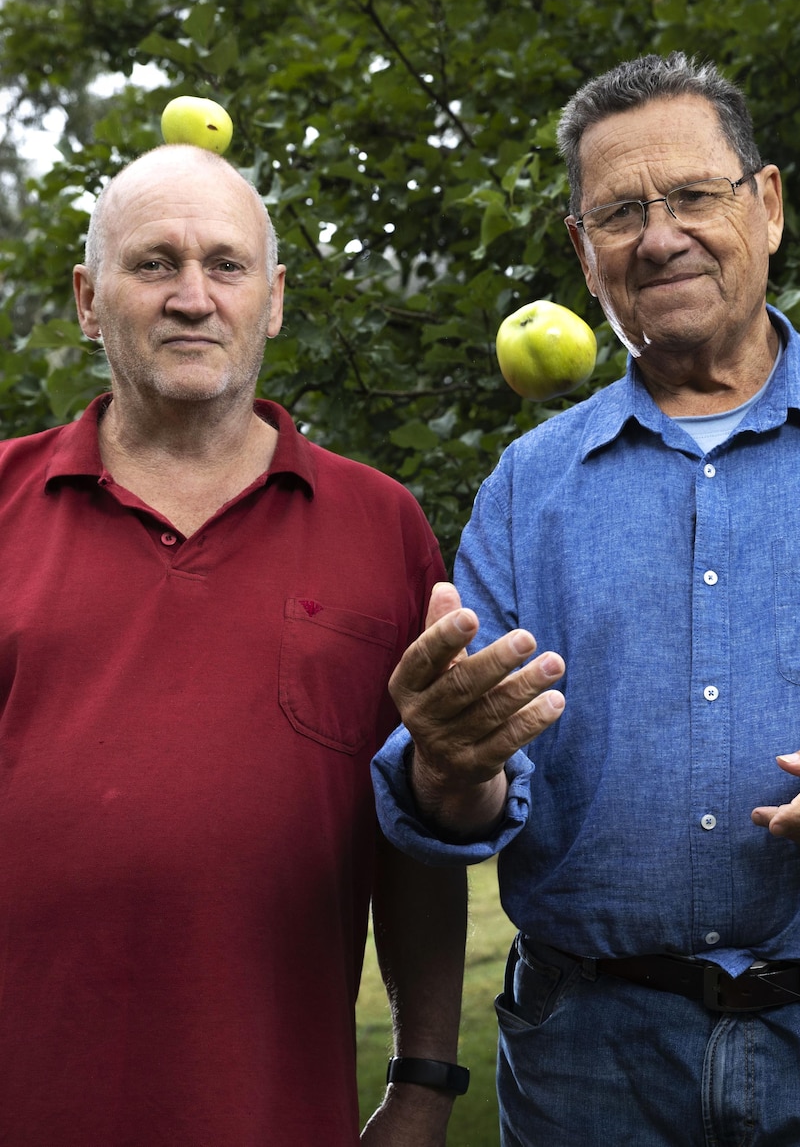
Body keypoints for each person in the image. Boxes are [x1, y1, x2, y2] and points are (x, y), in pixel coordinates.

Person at [372, 50, 800, 1146]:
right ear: (581, 252)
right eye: (620, 212)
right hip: (586, 1054)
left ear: (769, 205)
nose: (658, 234)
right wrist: (450, 763)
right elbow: (472, 798)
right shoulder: (525, 488)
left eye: (693, 195)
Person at [0, 143, 469, 1146]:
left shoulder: (379, 526)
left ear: (274, 300)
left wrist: (425, 1082)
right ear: (88, 300)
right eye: (153, 264)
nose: (191, 296)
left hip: (270, 1112)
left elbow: (418, 835)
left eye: (225, 265)